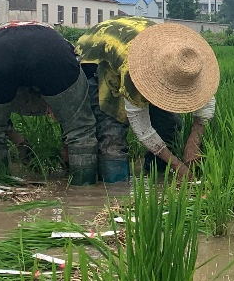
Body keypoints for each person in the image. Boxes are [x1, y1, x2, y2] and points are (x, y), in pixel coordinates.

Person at [75, 17, 220, 183]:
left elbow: (206, 101)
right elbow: (142, 129)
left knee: (169, 125)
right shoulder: (134, 71)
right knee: (112, 134)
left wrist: (194, 141)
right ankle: (113, 194)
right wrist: (177, 165)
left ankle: (157, 179)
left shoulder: (189, 60)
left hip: (144, 42)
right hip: (99, 54)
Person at [0, 21, 98, 183]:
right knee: (80, 129)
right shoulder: (53, 39)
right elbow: (73, 118)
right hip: (50, 51)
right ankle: (84, 195)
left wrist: (19, 142)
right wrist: (23, 143)